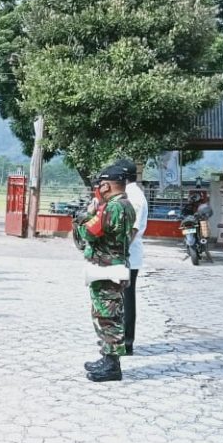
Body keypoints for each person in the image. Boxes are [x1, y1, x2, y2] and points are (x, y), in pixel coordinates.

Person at [78, 163, 136, 383]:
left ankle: (112, 366)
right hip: (112, 267)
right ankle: (106, 358)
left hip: (107, 269)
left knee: (107, 316)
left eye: (101, 185)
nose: (99, 188)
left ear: (108, 185)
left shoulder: (112, 208)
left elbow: (88, 232)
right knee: (107, 314)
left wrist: (88, 214)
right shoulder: (125, 205)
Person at [116, 159, 147, 356]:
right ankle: (121, 340)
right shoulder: (130, 194)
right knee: (121, 298)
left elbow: (132, 230)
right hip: (126, 254)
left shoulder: (135, 198)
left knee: (126, 299)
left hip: (128, 255)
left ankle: (127, 342)